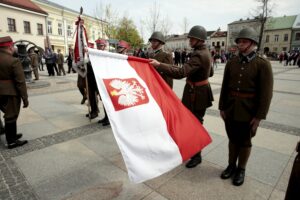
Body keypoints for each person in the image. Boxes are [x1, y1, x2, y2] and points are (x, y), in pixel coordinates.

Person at [150, 25, 214, 168]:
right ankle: (192, 151)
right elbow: (211, 73)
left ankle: (196, 156)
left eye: (191, 38)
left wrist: (159, 65)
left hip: (197, 94)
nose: (189, 40)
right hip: (198, 90)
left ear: (199, 39)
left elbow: (180, 73)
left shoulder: (199, 54)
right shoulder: (204, 52)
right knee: (193, 122)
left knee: (195, 124)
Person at [218, 27, 273, 186]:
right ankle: (231, 166)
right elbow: (225, 87)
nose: (241, 44)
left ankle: (241, 169)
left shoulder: (262, 64)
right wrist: (222, 107)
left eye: (245, 41)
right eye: (239, 41)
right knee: (232, 138)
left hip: (249, 111)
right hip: (230, 108)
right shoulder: (232, 62)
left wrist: (258, 117)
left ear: (253, 43)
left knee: (245, 141)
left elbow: (266, 94)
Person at [0, 36, 28, 149]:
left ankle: (11, 134)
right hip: (10, 92)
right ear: (9, 47)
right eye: (13, 46)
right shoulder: (13, 60)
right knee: (11, 116)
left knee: (7, 114)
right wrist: (25, 98)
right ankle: (11, 141)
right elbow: (20, 82)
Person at [95, 39, 110, 126]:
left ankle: (108, 118)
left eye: (101, 46)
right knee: (103, 100)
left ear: (104, 46)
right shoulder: (96, 55)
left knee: (107, 100)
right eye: (98, 46)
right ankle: (105, 117)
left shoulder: (107, 55)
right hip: (99, 80)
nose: (99, 47)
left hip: (106, 81)